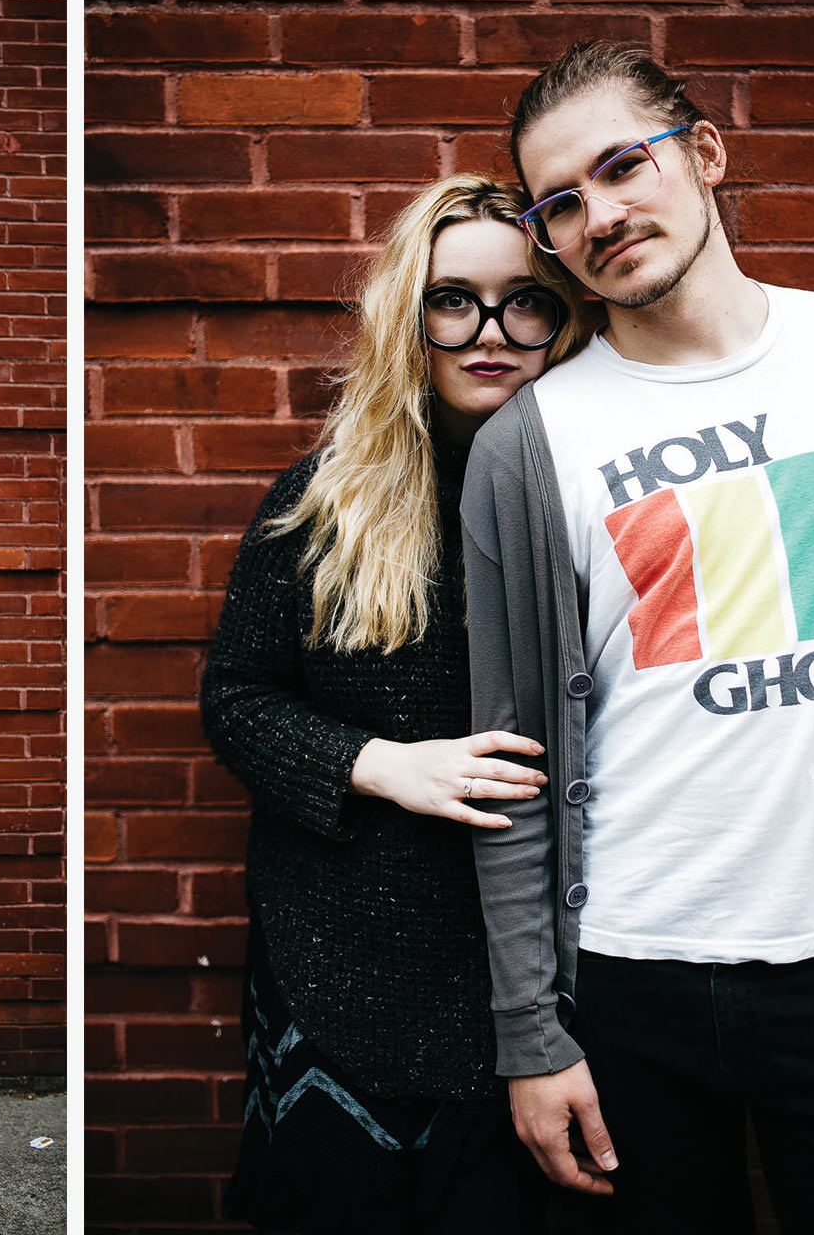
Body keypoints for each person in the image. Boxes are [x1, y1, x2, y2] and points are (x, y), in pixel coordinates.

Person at [463, 40, 814, 1232]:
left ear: (705, 154)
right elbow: (510, 760)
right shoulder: (528, 447)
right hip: (629, 979)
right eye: (561, 203)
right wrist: (530, 1034)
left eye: (622, 166)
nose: (600, 215)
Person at [200, 175, 590, 1234]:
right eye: (452, 299)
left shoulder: (608, 497)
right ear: (406, 315)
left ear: (568, 315)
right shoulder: (326, 499)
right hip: (341, 965)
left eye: (527, 300)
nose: (490, 332)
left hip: (555, 985)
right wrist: (380, 763)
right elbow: (235, 697)